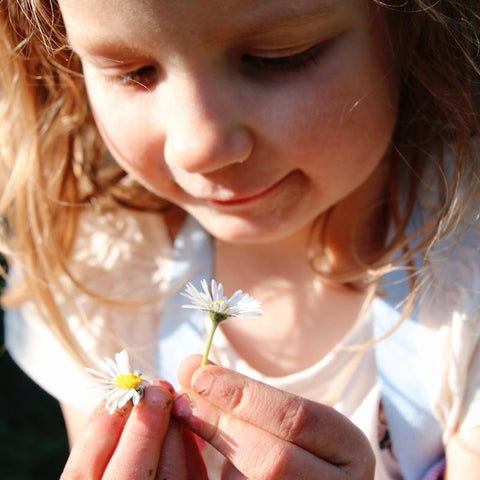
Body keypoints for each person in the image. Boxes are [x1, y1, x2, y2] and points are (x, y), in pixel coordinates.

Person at [0, 0, 479, 478]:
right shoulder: (94, 274)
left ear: (412, 26)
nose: (198, 146)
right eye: (134, 72)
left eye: (278, 56)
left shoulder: (464, 288)